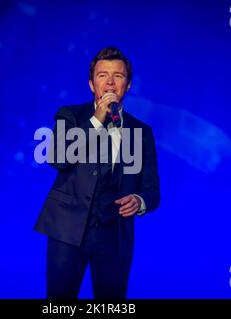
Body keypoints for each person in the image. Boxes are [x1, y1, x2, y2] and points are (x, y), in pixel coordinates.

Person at [34, 47, 160, 299]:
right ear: (92, 84)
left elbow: (152, 190)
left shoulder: (141, 130)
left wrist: (139, 201)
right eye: (103, 75)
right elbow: (58, 158)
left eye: (118, 76)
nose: (110, 82)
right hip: (67, 230)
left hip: (115, 236)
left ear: (128, 85)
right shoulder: (69, 115)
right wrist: (96, 121)